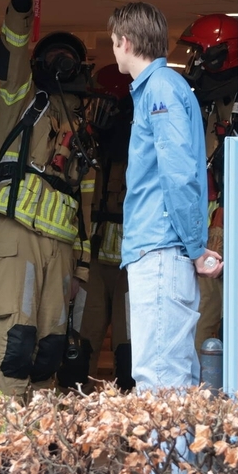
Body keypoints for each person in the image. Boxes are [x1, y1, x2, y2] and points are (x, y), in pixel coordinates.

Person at [0, 0, 94, 398]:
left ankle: (36, 457)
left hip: (61, 249)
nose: (63, 65)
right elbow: (13, 47)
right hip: (18, 237)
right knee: (16, 345)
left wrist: (81, 268)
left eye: (72, 60)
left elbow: (83, 205)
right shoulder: (20, 100)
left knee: (49, 351)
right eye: (57, 56)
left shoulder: (80, 128)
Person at [108, 2, 223, 391]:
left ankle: (164, 456)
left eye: (113, 42)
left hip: (160, 252)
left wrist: (195, 248)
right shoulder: (165, 88)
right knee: (175, 382)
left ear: (125, 42)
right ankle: (180, 453)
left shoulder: (159, 90)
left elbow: (178, 175)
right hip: (163, 252)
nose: (113, 50)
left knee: (159, 384)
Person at [171, 13, 238, 356]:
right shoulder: (209, 106)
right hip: (212, 229)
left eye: (200, 54)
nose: (194, 63)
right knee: (204, 322)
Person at [67, 64, 135, 392]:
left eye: (104, 104)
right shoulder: (89, 152)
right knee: (82, 345)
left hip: (131, 266)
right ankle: (76, 413)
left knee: (128, 350)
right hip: (93, 262)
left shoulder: (141, 151)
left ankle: (128, 422)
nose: (97, 113)